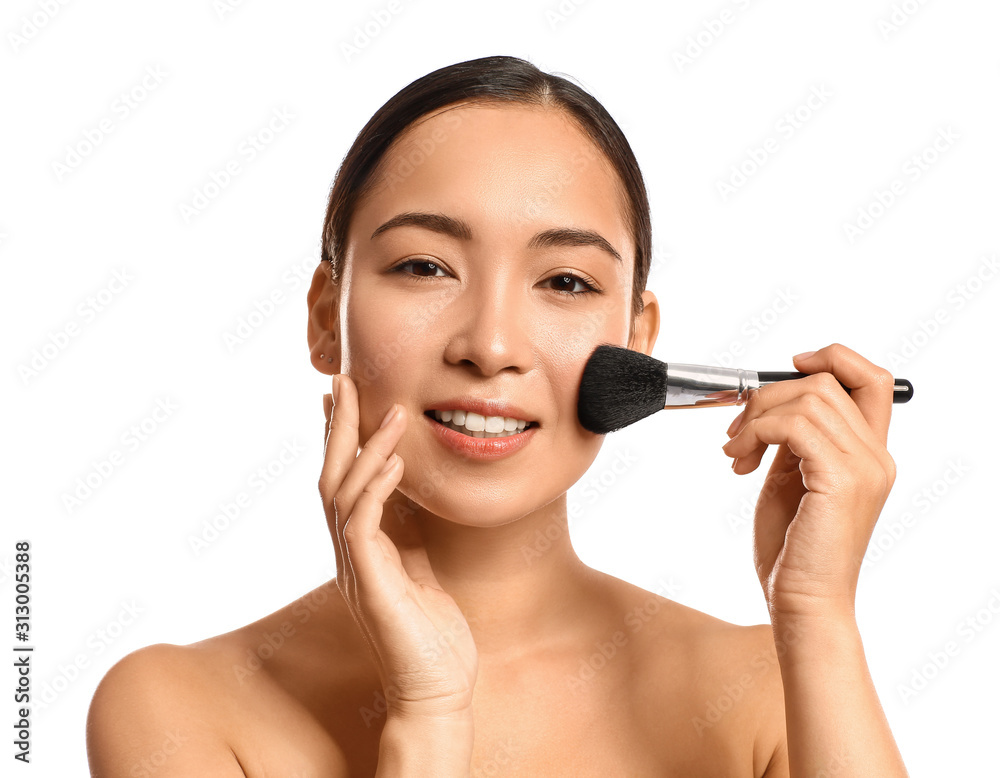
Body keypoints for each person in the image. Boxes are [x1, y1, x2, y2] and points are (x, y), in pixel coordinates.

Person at [86, 55, 909, 776]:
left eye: (565, 283)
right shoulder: (178, 711)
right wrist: (430, 716)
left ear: (638, 342)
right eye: (424, 265)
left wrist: (817, 617)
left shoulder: (772, 690)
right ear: (324, 315)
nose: (491, 344)